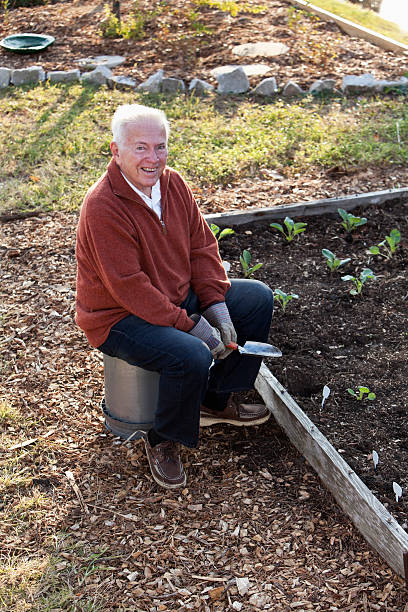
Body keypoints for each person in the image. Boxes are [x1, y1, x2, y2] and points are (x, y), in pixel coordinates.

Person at [75, 103, 274, 490]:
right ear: (116, 151)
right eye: (141, 148)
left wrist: (215, 305)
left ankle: (215, 401)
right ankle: (163, 439)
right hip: (119, 317)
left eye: (160, 147)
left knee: (256, 300)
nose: (153, 158)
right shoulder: (103, 207)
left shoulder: (173, 184)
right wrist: (192, 325)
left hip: (175, 298)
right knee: (191, 353)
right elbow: (130, 287)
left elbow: (201, 246)